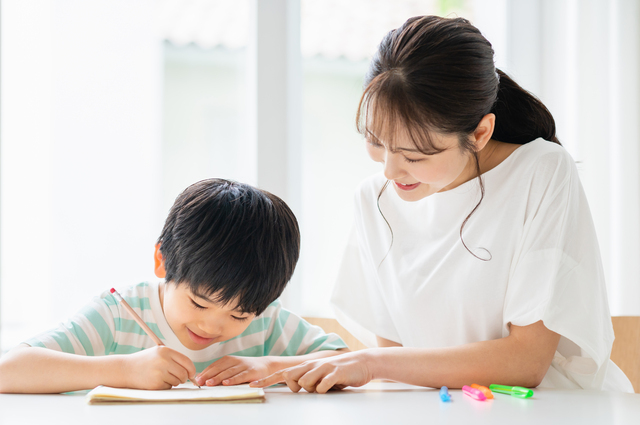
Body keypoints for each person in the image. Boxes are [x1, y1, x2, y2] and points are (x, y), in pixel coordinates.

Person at [251, 15, 634, 394]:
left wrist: (370, 364)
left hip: (551, 411)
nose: (389, 169)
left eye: (414, 156)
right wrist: (274, 367)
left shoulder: (541, 170)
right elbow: (403, 366)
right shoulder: (375, 200)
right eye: (375, 141)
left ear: (481, 133)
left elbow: (526, 362)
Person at [0, 178, 347, 393]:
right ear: (161, 262)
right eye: (199, 303)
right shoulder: (120, 314)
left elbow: (345, 360)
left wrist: (269, 366)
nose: (213, 325)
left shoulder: (266, 322)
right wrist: (123, 370)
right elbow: (9, 370)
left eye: (239, 316)